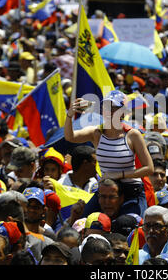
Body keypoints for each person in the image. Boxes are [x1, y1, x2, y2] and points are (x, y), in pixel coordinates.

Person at [65, 90, 153, 218]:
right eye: (105, 107)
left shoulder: (133, 135)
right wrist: (70, 115)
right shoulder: (96, 133)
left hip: (130, 190)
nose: (108, 112)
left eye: (113, 108)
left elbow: (149, 168)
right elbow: (70, 137)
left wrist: (118, 175)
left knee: (126, 225)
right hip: (106, 190)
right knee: (86, 222)